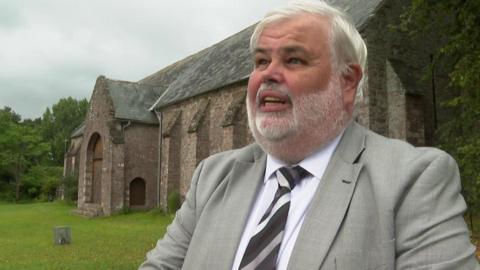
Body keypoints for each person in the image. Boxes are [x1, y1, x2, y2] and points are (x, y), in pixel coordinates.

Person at [139, 0, 479, 269]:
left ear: (347, 82)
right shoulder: (212, 177)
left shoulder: (413, 179)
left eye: (294, 60)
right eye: (260, 61)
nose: (267, 75)